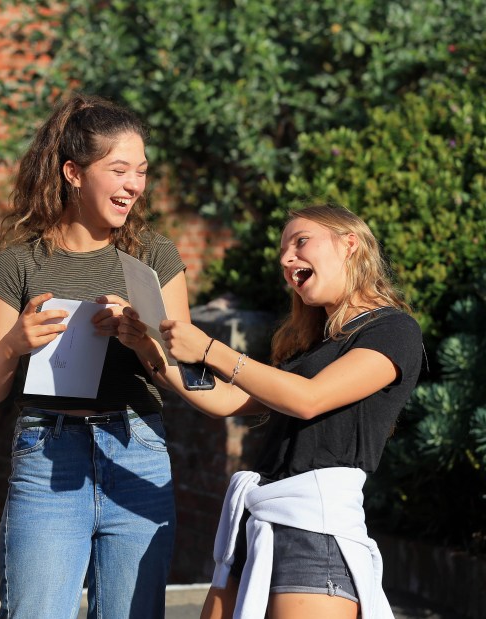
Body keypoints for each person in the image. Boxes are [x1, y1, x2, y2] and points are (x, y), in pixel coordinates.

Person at [118, 204, 424, 619]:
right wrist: (147, 349)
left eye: (300, 242)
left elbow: (308, 398)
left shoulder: (393, 330)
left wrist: (210, 349)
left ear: (349, 243)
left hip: (316, 534)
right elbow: (226, 400)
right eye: (283, 250)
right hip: (260, 524)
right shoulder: (312, 348)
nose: (285, 259)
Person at [0, 93, 190, 619]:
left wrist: (142, 340)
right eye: (118, 170)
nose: (133, 185)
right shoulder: (17, 263)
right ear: (73, 172)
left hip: (136, 448)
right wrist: (15, 343)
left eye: (140, 171)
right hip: (48, 453)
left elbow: (182, 369)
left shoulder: (153, 254)